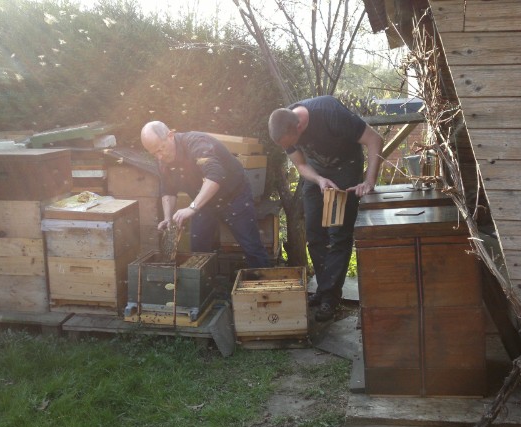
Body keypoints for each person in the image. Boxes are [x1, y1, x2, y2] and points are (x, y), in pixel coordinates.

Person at [268, 95, 383, 322]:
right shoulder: (284, 125)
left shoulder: (330, 113)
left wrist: (369, 181)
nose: (288, 147)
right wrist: (319, 180)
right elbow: (301, 164)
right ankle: (324, 288)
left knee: (338, 234)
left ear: (299, 126)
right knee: (314, 233)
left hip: (346, 168)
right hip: (317, 173)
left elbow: (375, 140)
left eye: (290, 142)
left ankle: (331, 297)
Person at [140, 121, 269, 269]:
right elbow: (168, 189)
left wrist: (192, 207)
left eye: (161, 149)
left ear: (170, 136)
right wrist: (168, 218)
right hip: (204, 204)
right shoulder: (162, 161)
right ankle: (207, 288)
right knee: (199, 253)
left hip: (234, 197)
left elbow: (215, 175)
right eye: (154, 153)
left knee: (252, 247)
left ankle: (267, 287)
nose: (160, 156)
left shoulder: (197, 143)